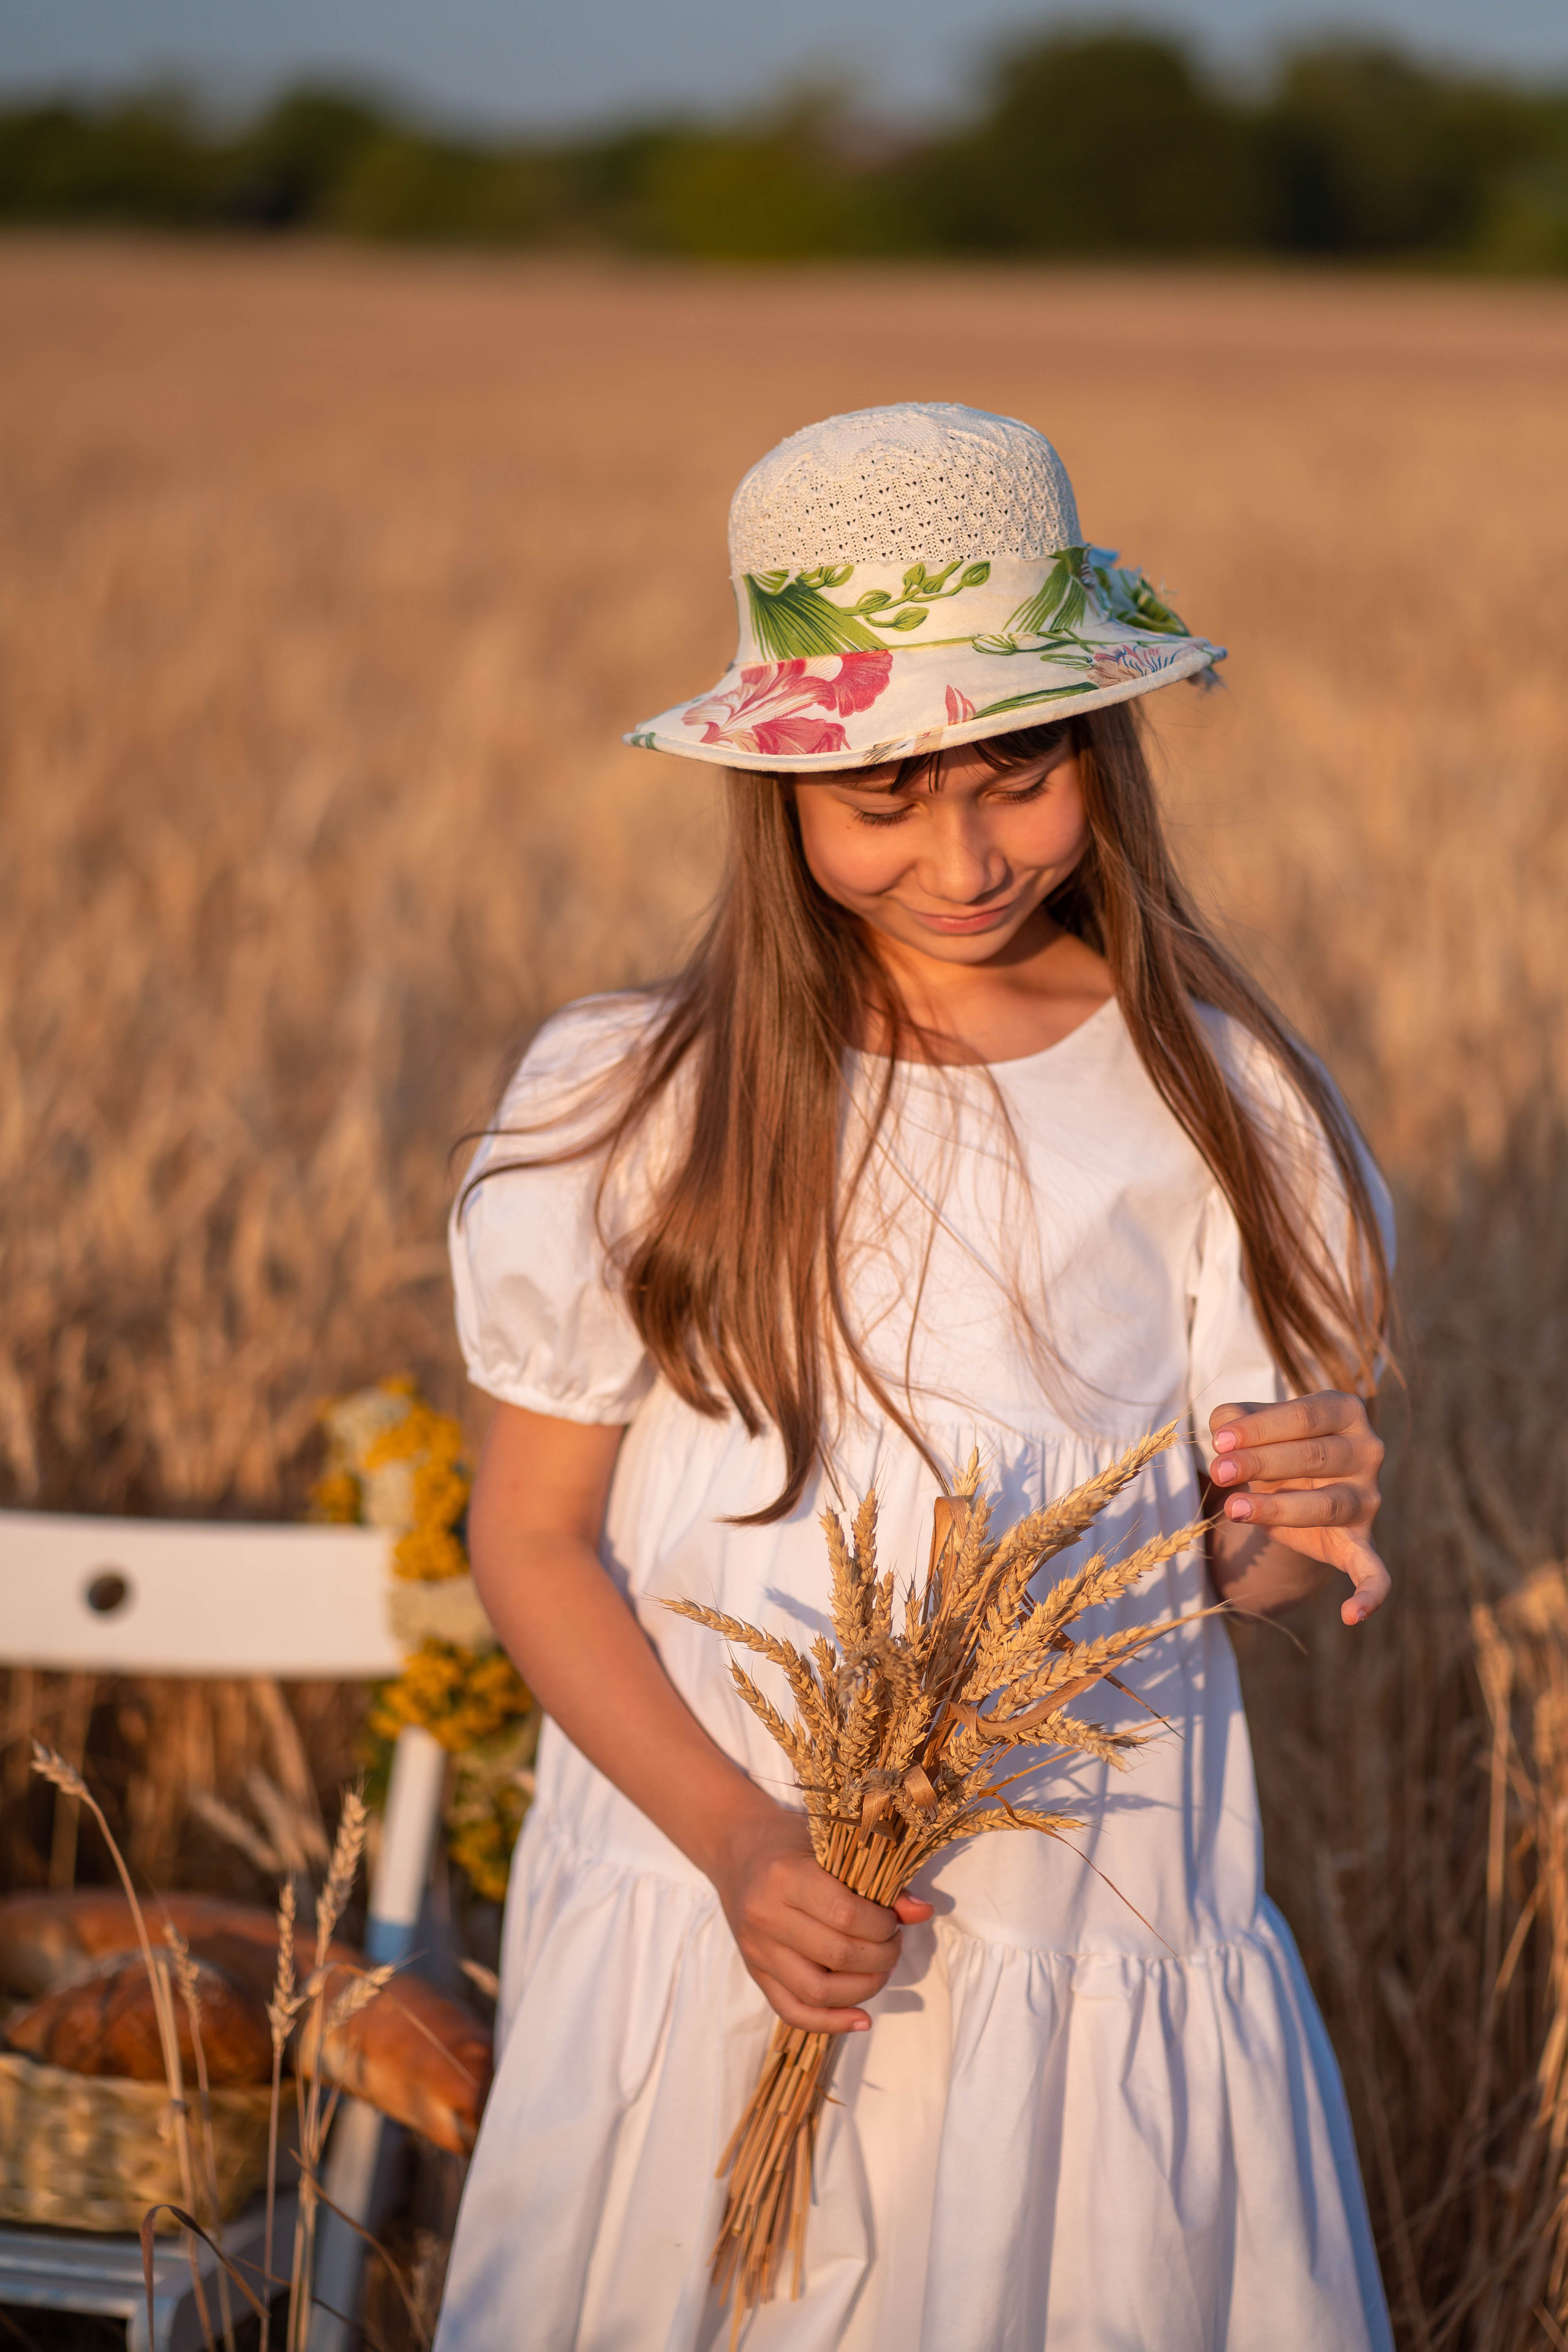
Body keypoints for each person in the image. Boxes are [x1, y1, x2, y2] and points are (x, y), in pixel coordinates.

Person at [433, 404, 1395, 2350]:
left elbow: (1235, 1574)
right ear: (777, 789)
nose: (964, 857)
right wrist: (738, 1843)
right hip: (705, 1893)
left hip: (1079, 1917)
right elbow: (530, 1538)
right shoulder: (633, 1101)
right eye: (882, 798)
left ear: (1100, 748)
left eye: (1020, 775)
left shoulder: (1223, 1107)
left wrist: (1296, 1521)